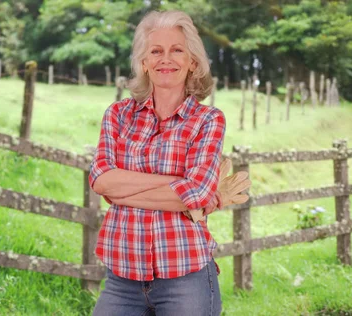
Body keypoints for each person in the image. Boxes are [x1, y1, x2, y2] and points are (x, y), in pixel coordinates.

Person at [88, 10, 250, 316]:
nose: (166, 59)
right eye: (156, 51)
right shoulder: (118, 115)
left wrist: (123, 188)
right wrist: (179, 189)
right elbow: (100, 180)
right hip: (122, 278)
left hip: (185, 278)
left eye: (177, 50)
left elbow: (199, 193)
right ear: (144, 63)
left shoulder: (208, 119)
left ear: (193, 62)